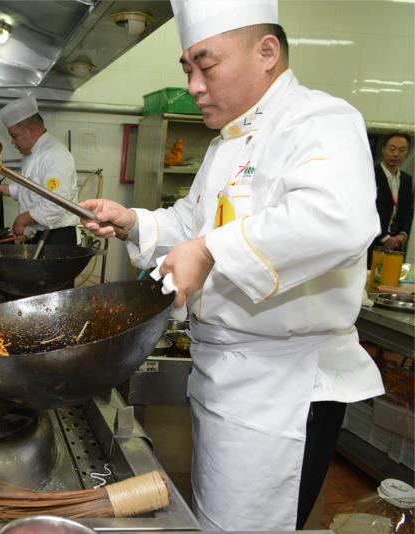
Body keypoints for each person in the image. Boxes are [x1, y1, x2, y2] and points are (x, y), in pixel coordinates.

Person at [79, 0, 384, 531]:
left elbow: (337, 219)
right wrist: (131, 221)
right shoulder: (227, 144)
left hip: (280, 391)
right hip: (224, 375)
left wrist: (211, 250)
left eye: (207, 65)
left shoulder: (321, 121)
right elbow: (193, 222)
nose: (194, 86)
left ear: (267, 52)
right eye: (187, 70)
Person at [0, 95, 79, 246]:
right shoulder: (30, 154)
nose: (12, 142)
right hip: (42, 235)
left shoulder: (55, 155)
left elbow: (56, 204)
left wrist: (21, 220)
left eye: (14, 136)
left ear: (31, 130)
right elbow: (33, 188)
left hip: (57, 238)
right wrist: (2, 189)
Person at [367, 132, 413, 266]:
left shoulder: (407, 179)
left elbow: (408, 211)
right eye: (392, 149)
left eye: (402, 150)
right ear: (383, 150)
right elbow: (366, 211)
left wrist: (403, 234)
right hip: (372, 243)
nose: (396, 154)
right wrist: (385, 238)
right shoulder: (370, 175)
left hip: (396, 246)